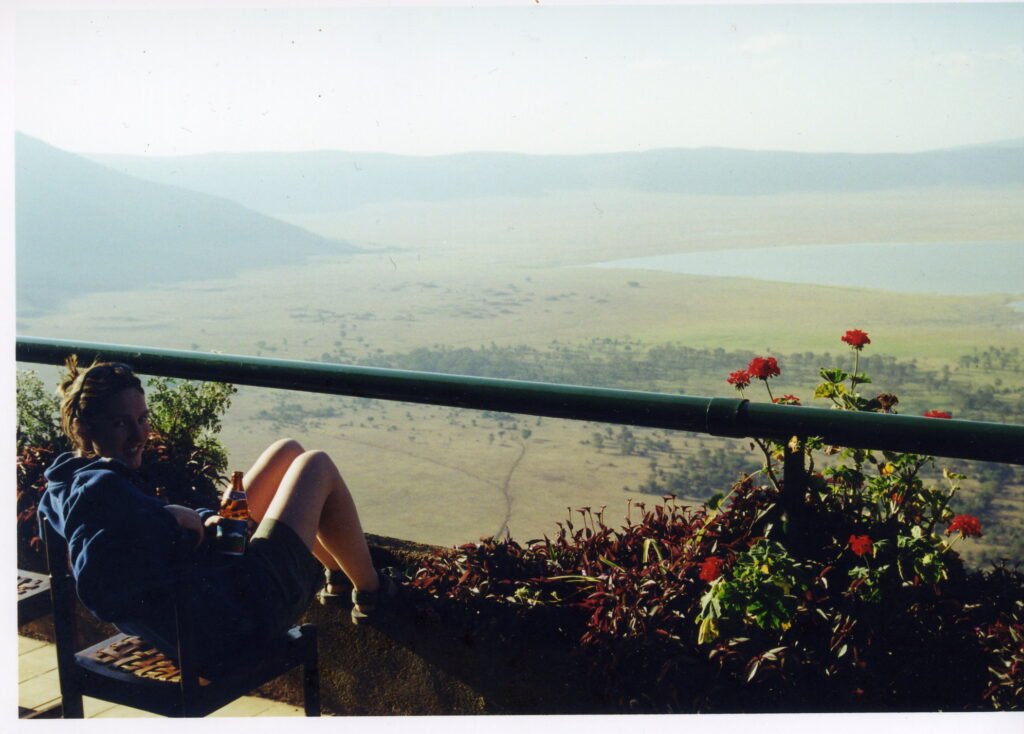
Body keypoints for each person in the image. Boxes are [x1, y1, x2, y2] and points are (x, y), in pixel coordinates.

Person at [38, 356, 398, 674]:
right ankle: (373, 593)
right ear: (88, 429)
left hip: (214, 592)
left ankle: (335, 574)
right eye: (121, 424)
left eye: (142, 419)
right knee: (316, 465)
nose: (139, 434)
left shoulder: (69, 478)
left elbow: (129, 532)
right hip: (237, 618)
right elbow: (98, 585)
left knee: (287, 452)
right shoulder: (100, 490)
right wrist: (171, 521)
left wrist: (195, 519)